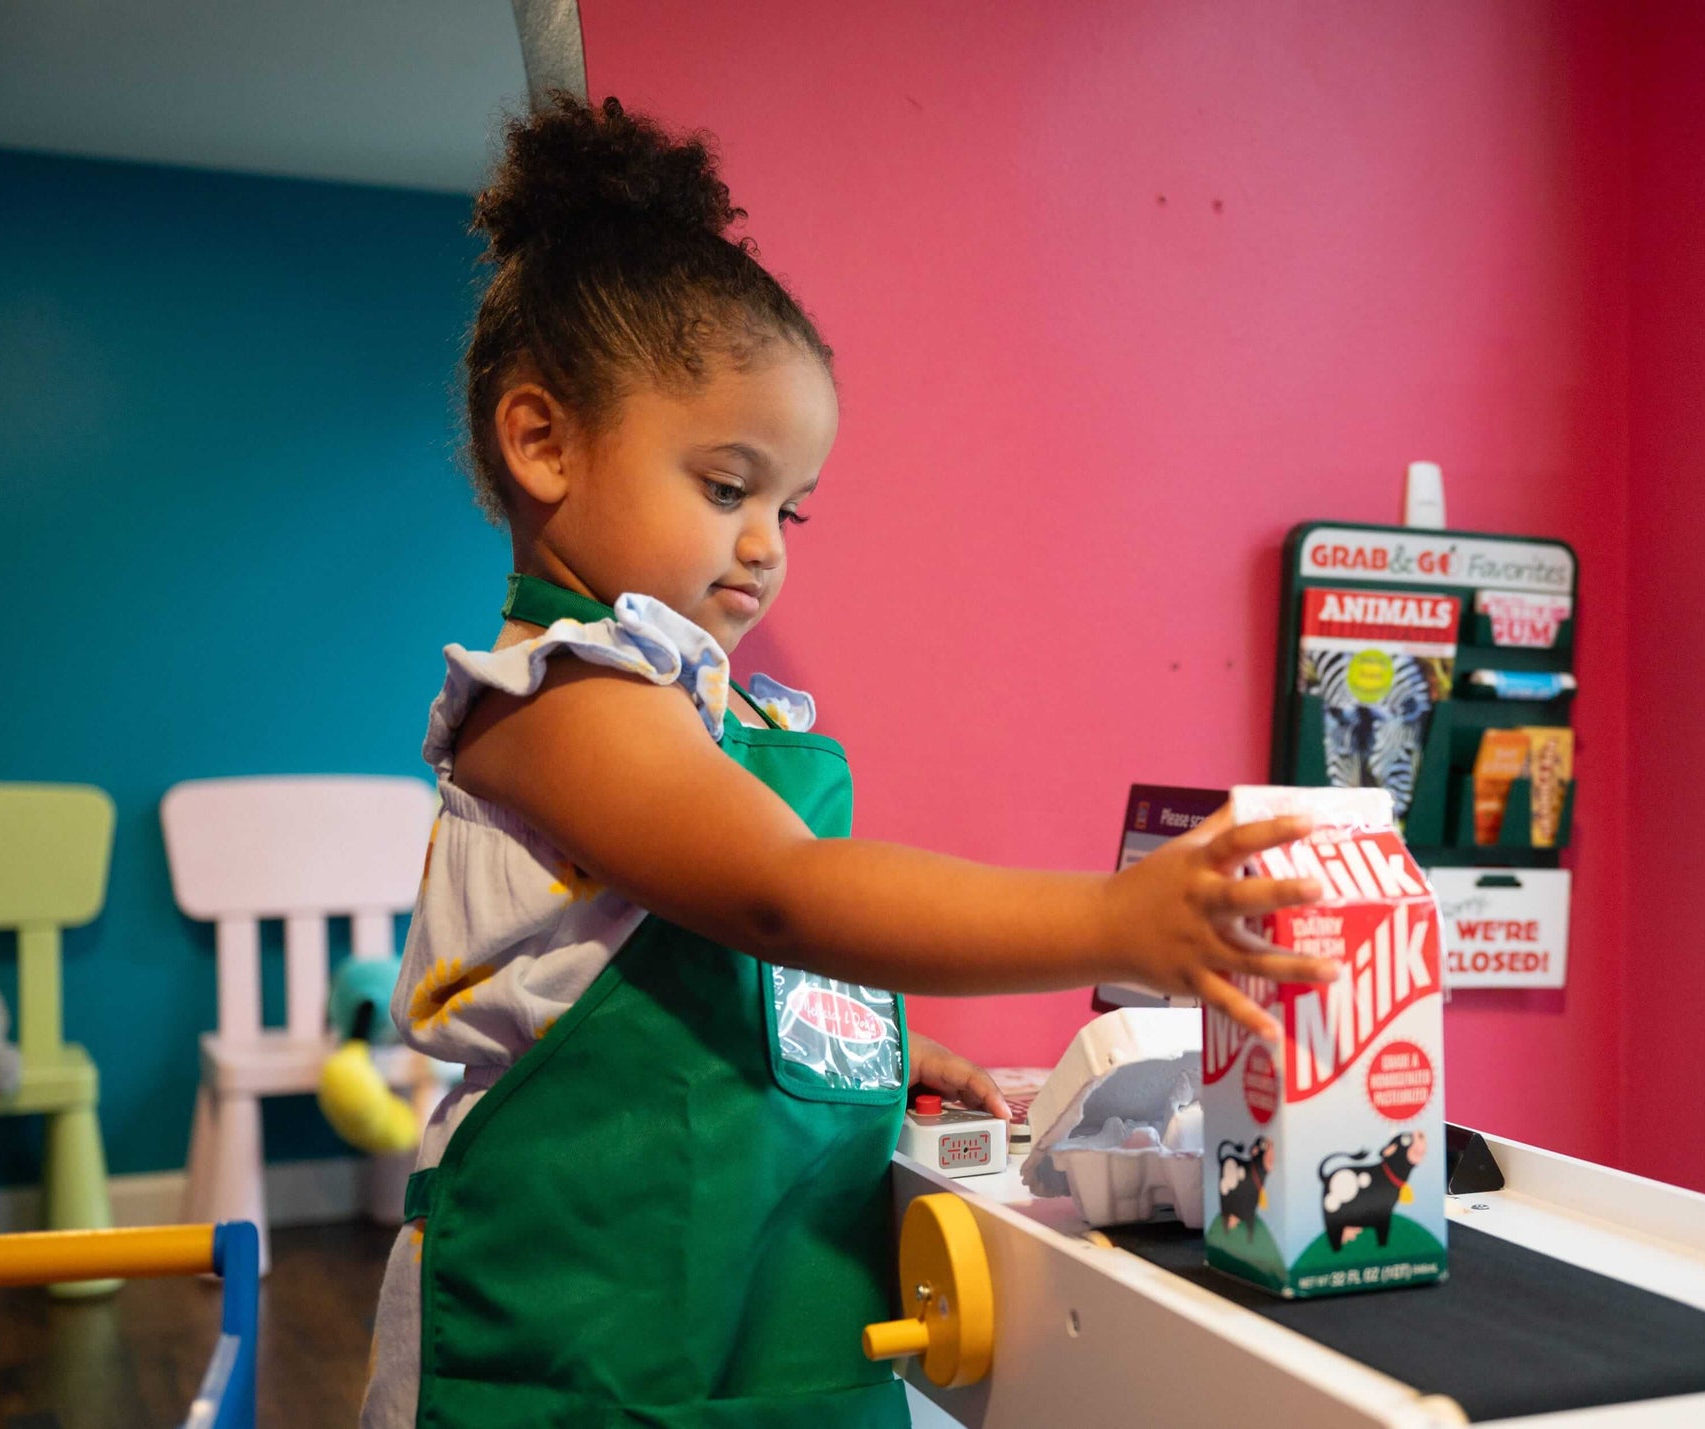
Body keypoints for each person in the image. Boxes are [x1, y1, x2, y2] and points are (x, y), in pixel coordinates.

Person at [360, 92, 1329, 1429]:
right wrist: (1115, 922)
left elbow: (706, 965)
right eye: (725, 486)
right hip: (572, 1336)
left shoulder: (717, 715)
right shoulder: (562, 698)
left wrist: (874, 1042)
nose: (766, 544)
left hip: (744, 1326)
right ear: (544, 441)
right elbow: (780, 891)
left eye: (790, 505)